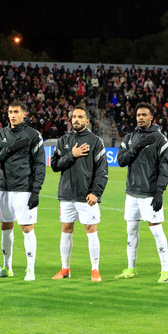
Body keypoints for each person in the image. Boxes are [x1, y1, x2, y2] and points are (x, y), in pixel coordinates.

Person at [0, 100, 45, 281]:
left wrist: (36, 191)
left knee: (27, 228)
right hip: (4, 188)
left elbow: (40, 164)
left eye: (16, 112)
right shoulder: (2, 133)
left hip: (24, 189)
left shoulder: (33, 135)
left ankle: (30, 269)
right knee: (5, 226)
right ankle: (7, 267)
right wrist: (9, 149)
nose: (12, 115)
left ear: (24, 114)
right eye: (10, 112)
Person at [115, 102, 168, 283]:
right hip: (132, 193)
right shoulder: (130, 138)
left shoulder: (160, 139)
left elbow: (165, 168)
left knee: (156, 231)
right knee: (131, 230)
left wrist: (159, 192)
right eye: (138, 115)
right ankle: (131, 268)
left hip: (149, 193)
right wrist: (136, 147)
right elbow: (121, 161)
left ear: (151, 117)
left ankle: (165, 270)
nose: (140, 117)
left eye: (144, 115)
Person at [50, 106, 108, 282]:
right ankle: (65, 268)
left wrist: (96, 192)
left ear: (87, 121)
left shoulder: (95, 141)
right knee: (66, 229)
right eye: (74, 116)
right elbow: (55, 165)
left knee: (91, 230)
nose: (76, 119)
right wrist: (72, 155)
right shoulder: (63, 141)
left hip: (86, 196)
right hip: (67, 194)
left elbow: (102, 170)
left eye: (80, 117)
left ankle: (95, 270)